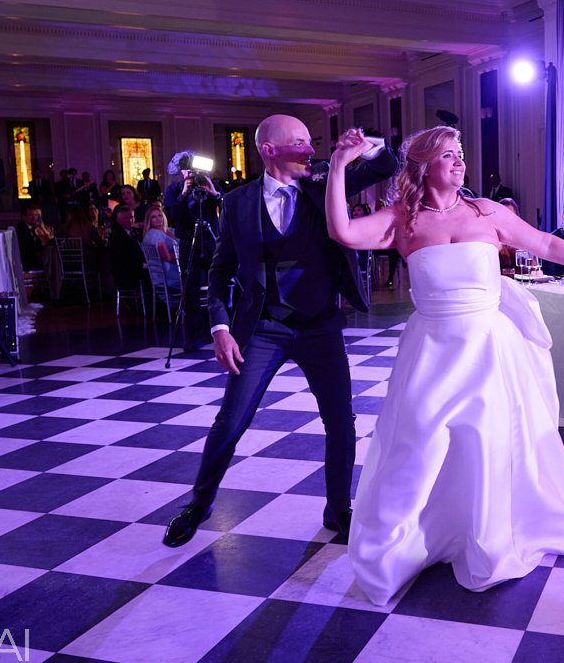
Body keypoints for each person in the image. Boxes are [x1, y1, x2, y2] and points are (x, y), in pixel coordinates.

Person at [324, 126, 564, 605]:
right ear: (425, 165)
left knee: (489, 445)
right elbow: (342, 231)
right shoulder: (403, 220)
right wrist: (341, 167)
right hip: (432, 351)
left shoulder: (487, 212)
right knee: (419, 446)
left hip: (490, 349)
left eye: (461, 153)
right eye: (448, 155)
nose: (460, 161)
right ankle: (415, 538)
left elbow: (547, 246)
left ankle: (486, 534)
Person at [162, 115, 397, 549]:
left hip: (320, 325)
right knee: (230, 421)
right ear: (269, 150)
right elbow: (221, 270)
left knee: (340, 422)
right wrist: (219, 326)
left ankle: (337, 509)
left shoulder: (325, 184)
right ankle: (199, 504)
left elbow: (383, 167)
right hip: (263, 326)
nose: (311, 150)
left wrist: (367, 143)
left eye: (311, 142)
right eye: (300, 143)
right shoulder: (235, 203)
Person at [162, 153, 223, 351]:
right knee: (190, 291)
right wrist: (184, 194)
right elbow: (171, 215)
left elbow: (227, 208)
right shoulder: (174, 189)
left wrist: (214, 192)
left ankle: (228, 333)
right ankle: (192, 338)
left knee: (222, 284)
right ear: (181, 171)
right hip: (189, 242)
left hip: (210, 239)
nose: (193, 173)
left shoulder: (209, 183)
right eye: (188, 170)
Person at [141, 204, 182, 293]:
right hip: (170, 274)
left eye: (160, 215)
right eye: (153, 217)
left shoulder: (170, 230)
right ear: (149, 221)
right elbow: (166, 256)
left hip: (179, 269)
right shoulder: (153, 234)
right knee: (203, 275)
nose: (158, 219)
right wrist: (185, 256)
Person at [107, 204, 146, 293]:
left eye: (132, 217)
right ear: (118, 220)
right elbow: (123, 259)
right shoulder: (116, 236)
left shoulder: (134, 232)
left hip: (134, 267)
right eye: (126, 218)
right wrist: (142, 265)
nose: (130, 221)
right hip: (125, 272)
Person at [14, 202, 53, 272]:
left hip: (44, 264)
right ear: (24, 217)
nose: (34, 218)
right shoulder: (21, 228)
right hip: (28, 264)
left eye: (37, 215)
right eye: (30, 215)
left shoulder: (46, 228)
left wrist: (43, 228)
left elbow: (51, 242)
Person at [497, 197, 521, 273]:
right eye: (503, 215)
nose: (506, 219)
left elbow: (532, 265)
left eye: (510, 215)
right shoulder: (492, 237)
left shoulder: (521, 238)